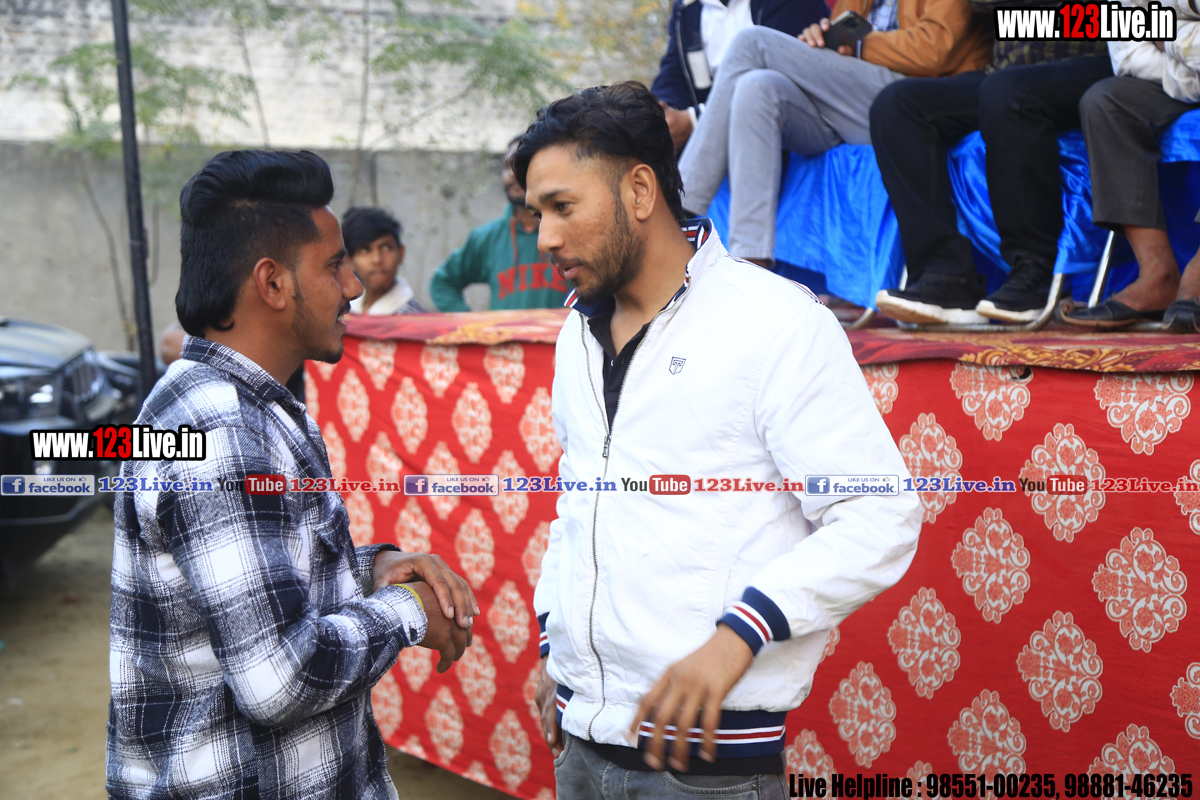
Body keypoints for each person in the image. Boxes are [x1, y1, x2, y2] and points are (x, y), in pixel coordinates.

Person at [515, 83, 921, 799]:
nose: (545, 237)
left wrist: (737, 638)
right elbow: (580, 504)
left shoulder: (774, 323)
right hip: (578, 743)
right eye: (537, 214)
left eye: (562, 206)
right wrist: (559, 652)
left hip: (707, 766)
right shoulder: (576, 332)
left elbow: (880, 514)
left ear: (640, 190)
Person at [107, 150, 477, 799]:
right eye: (334, 265)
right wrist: (410, 611)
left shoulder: (252, 407)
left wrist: (372, 568)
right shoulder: (220, 433)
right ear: (273, 284)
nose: (353, 285)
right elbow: (280, 678)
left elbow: (256, 585)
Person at [677, 0, 991, 266]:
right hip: (858, 101)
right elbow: (840, 36)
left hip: (919, 96)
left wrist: (858, 45)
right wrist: (822, 38)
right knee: (756, 87)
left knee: (751, 42)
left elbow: (936, 49)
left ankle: (680, 211)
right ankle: (750, 262)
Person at [871, 1, 1112, 325]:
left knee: (1009, 93)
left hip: (1096, 61)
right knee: (897, 104)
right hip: (1005, 72)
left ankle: (1035, 275)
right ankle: (945, 276)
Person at [1059, 0, 1200, 331]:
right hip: (1182, 74)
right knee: (1105, 103)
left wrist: (1165, 37)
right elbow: (1128, 54)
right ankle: (1158, 274)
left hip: (1180, 63)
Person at [652, 0, 829, 153]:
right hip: (723, 146)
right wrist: (660, 114)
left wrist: (695, 120)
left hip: (795, 136)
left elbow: (779, 80)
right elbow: (674, 75)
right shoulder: (685, 9)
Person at [429, 136, 570, 311]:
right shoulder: (487, 237)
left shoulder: (569, 230)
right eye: (507, 167)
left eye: (521, 165)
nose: (512, 173)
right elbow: (442, 282)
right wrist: (470, 323)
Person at [343, 206, 428, 315]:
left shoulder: (415, 319)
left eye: (386, 248)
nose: (377, 259)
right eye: (364, 250)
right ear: (349, 260)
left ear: (400, 253)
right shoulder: (345, 313)